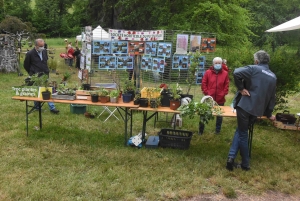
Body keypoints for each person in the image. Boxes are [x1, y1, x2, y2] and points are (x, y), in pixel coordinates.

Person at [226, 50, 276, 171]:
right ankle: (231, 158)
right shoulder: (273, 77)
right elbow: (271, 98)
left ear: (257, 61)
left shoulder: (254, 69)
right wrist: (269, 114)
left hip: (245, 106)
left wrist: (241, 88)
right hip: (257, 110)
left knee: (242, 134)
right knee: (241, 130)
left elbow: (236, 72)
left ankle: (245, 164)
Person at [24, 38, 59, 114]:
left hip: (45, 74)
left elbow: (45, 61)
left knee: (47, 90)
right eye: (40, 46)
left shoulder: (44, 52)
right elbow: (26, 65)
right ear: (36, 46)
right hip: (36, 75)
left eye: (43, 45)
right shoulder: (30, 54)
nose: (42, 47)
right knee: (38, 90)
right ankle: (37, 107)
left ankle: (52, 108)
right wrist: (32, 73)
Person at [200, 57, 229, 134]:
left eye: (219, 63)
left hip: (220, 98)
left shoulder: (225, 73)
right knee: (203, 113)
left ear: (221, 64)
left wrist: (223, 93)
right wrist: (207, 93)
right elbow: (204, 83)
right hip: (209, 98)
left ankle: (217, 131)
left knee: (219, 115)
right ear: (213, 64)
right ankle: (201, 130)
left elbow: (226, 85)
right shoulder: (208, 72)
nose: (217, 64)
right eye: (216, 63)